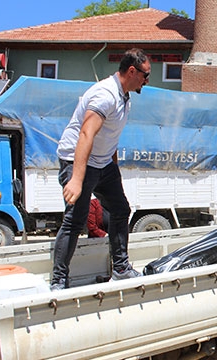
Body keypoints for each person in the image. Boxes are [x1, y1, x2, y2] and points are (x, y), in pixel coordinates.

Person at [50, 48, 151, 290]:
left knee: (120, 209)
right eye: (145, 75)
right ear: (131, 71)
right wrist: (76, 178)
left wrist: (113, 167)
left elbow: (110, 135)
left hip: (103, 164)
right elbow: (87, 133)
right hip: (79, 161)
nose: (147, 81)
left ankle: (120, 268)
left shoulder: (125, 97)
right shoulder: (105, 95)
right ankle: (58, 281)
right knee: (75, 220)